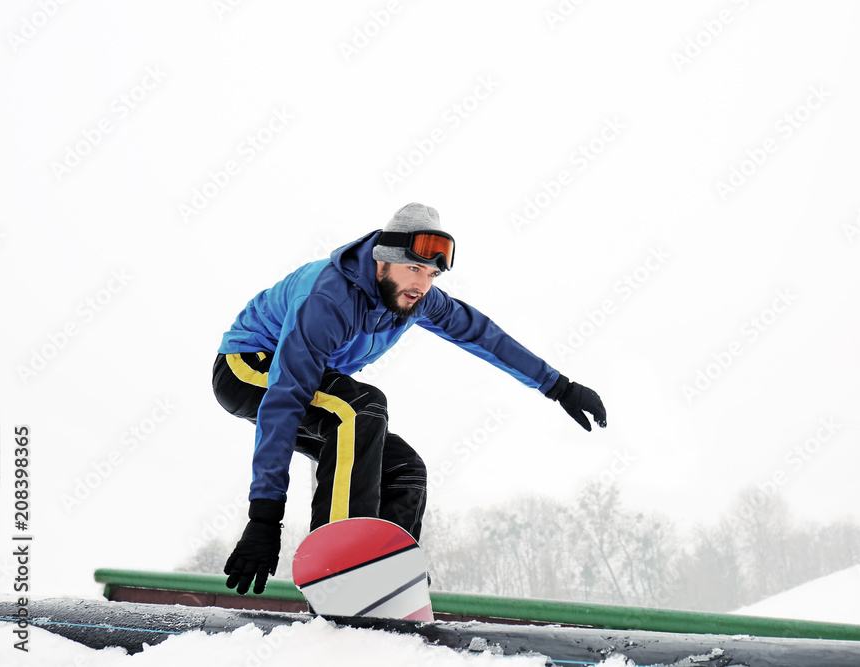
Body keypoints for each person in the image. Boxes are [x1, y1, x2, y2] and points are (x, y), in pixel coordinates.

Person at [213, 203, 607, 595]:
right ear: (383, 260)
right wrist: (264, 517)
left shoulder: (417, 300)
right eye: (414, 269)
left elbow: (483, 335)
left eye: (432, 274)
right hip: (248, 367)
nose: (422, 285)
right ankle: (342, 560)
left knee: (404, 470)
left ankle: (388, 577)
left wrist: (558, 387)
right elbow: (285, 399)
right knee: (361, 407)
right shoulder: (329, 298)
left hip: (313, 382)